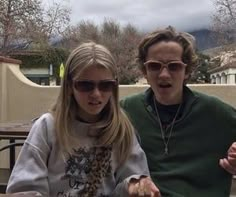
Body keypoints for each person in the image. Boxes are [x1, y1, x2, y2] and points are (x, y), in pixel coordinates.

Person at [7, 42, 160, 197]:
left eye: (106, 85)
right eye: (85, 85)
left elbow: (132, 181)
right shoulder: (47, 127)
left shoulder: (121, 130)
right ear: (69, 87)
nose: (96, 94)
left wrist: (134, 186)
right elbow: (24, 188)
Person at [120, 26, 236, 197]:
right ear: (144, 71)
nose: (164, 74)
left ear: (187, 70)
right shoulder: (126, 111)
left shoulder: (217, 113)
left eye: (173, 66)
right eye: (154, 66)